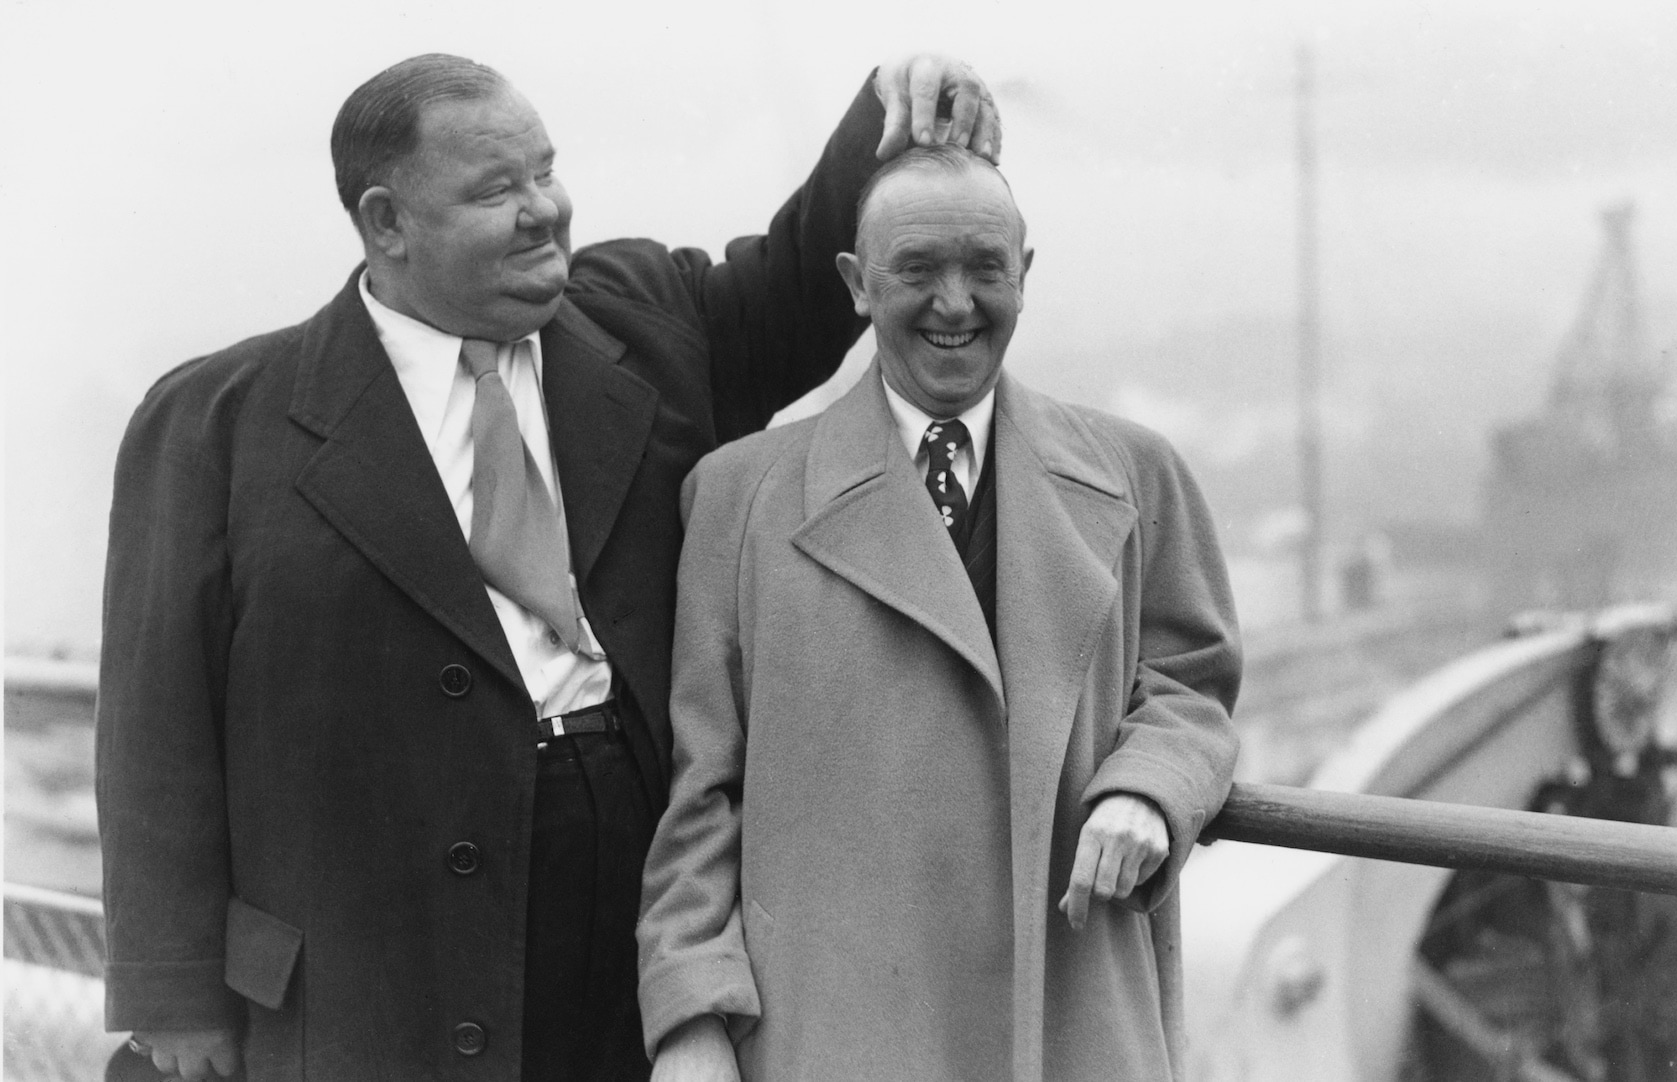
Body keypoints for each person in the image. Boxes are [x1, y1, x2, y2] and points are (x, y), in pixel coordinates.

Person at [96, 51, 1000, 1082]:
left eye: (545, 170)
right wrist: (170, 989)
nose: (546, 209)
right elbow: (153, 727)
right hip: (372, 965)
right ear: (387, 222)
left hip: (632, 916)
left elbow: (800, 283)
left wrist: (890, 111)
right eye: (497, 189)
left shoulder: (647, 317)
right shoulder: (216, 423)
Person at [639, 144, 1241, 1082]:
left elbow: (1192, 682)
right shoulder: (739, 496)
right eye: (916, 270)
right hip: (830, 1024)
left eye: (985, 268)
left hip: (1072, 1007)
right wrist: (691, 1019)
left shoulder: (1138, 473)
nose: (955, 303)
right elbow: (701, 791)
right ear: (855, 284)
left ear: (1025, 276)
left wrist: (1150, 785)